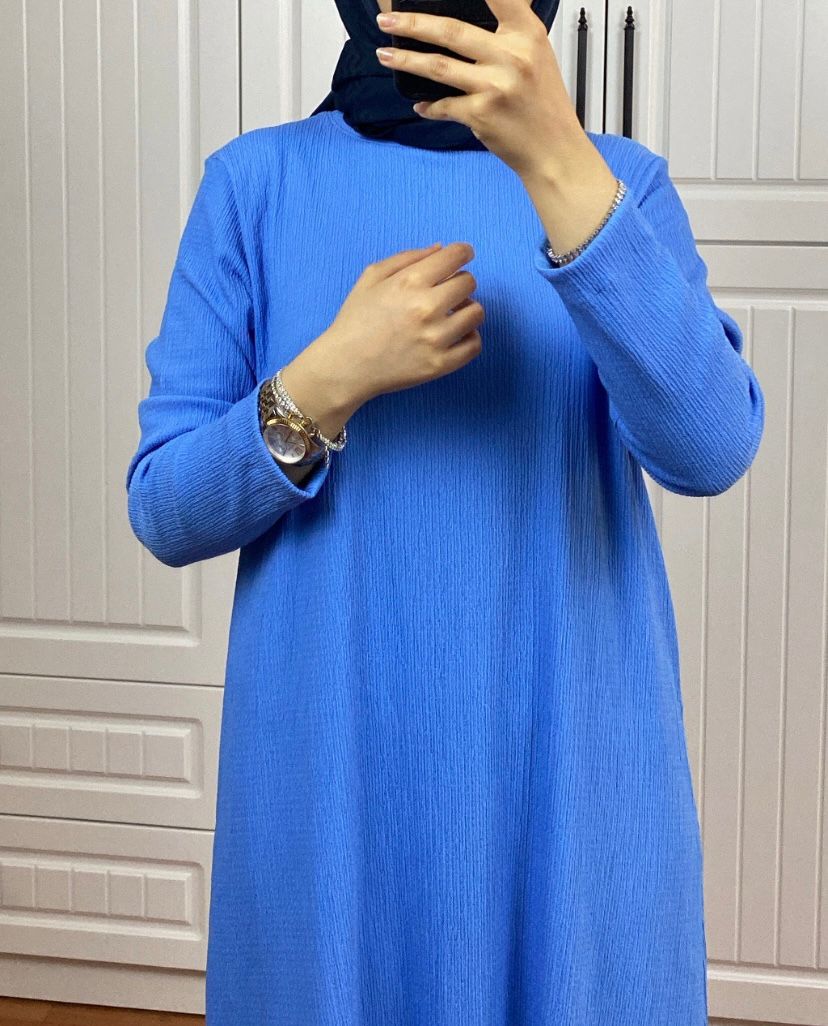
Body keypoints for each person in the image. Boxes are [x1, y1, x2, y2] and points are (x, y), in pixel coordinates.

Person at [125, 0, 765, 1022]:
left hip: (568, 791)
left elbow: (711, 447)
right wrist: (326, 381)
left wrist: (559, 162)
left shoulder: (617, 182)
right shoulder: (255, 185)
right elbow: (165, 508)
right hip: (333, 789)